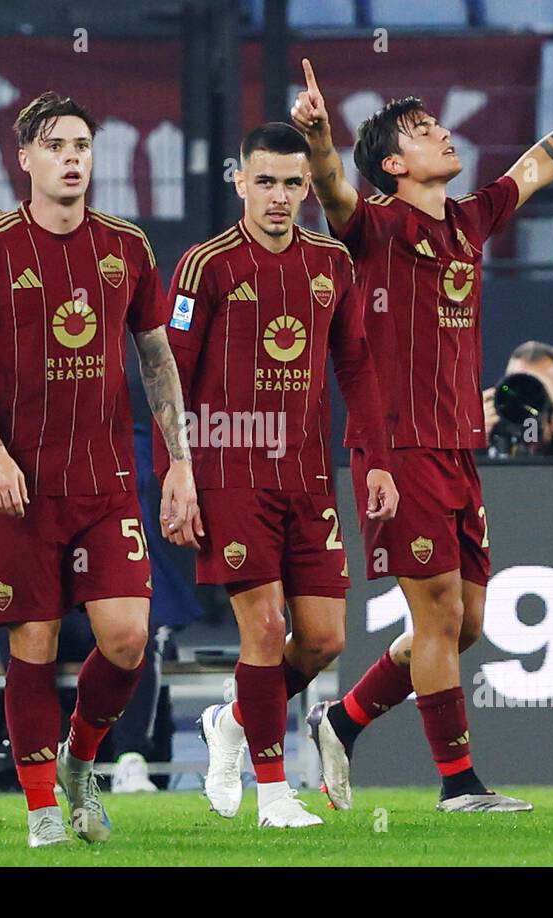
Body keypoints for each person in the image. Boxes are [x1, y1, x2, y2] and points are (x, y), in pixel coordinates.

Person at [290, 35, 553, 812]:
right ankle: (459, 786)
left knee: (466, 624)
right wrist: (319, 140)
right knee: (435, 615)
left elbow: (540, 161)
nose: (442, 132)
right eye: (423, 129)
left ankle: (343, 718)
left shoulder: (469, 220)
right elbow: (332, 192)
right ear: (392, 164)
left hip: (459, 447)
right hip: (398, 447)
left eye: (438, 124)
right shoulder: (376, 228)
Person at [0, 92, 198, 847]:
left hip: (108, 481)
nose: (73, 157)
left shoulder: (128, 246)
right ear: (25, 159)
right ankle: (43, 809)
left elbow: (156, 358)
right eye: (55, 145)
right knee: (34, 644)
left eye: (83, 144)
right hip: (20, 489)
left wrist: (179, 461)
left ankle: (83, 764)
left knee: (126, 639)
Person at [158, 123, 396, 827]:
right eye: (265, 181)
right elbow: (169, 371)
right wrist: (180, 468)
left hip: (307, 477)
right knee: (263, 628)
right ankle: (275, 793)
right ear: (240, 182)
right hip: (229, 470)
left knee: (323, 639)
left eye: (294, 183)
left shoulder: (332, 263)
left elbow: (355, 363)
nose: (280, 197)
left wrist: (376, 457)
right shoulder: (206, 265)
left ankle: (231, 720)